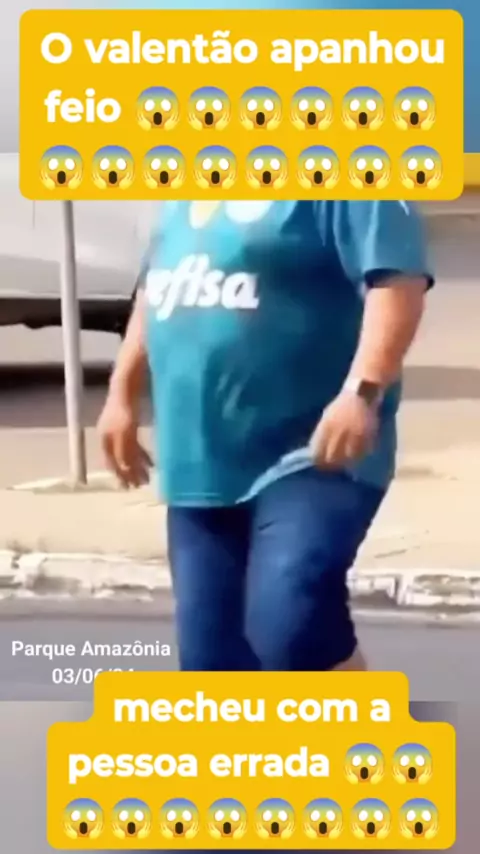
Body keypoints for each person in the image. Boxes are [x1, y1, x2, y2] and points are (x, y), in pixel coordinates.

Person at [98, 199, 433, 672]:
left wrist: (361, 391)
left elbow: (398, 282)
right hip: (199, 461)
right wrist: (121, 394)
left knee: (290, 621)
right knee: (213, 665)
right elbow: (157, 286)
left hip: (313, 452)